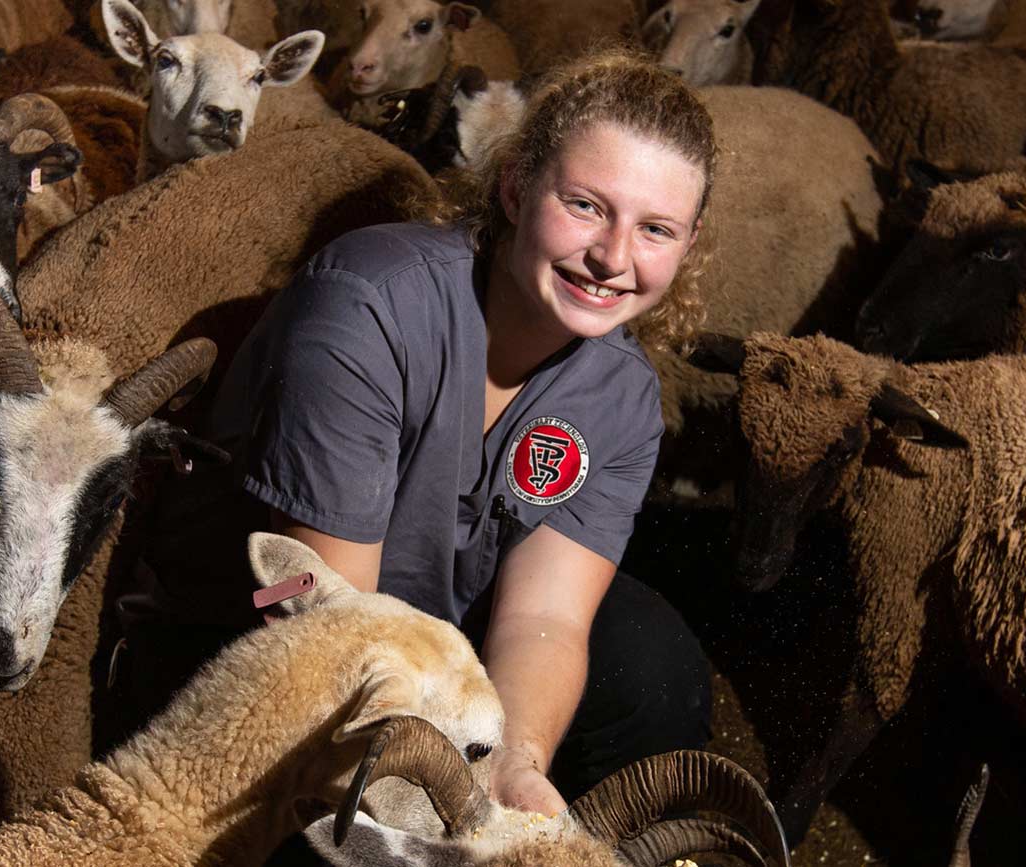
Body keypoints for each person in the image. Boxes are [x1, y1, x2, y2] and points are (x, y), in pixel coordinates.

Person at [107, 51, 719, 817]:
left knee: (652, 664)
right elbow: (320, 619)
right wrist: (435, 795)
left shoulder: (622, 393)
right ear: (515, 185)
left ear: (688, 246)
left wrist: (510, 765)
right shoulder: (368, 306)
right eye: (588, 205)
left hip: (427, 642)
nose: (613, 257)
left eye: (655, 228)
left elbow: (546, 617)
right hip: (256, 633)